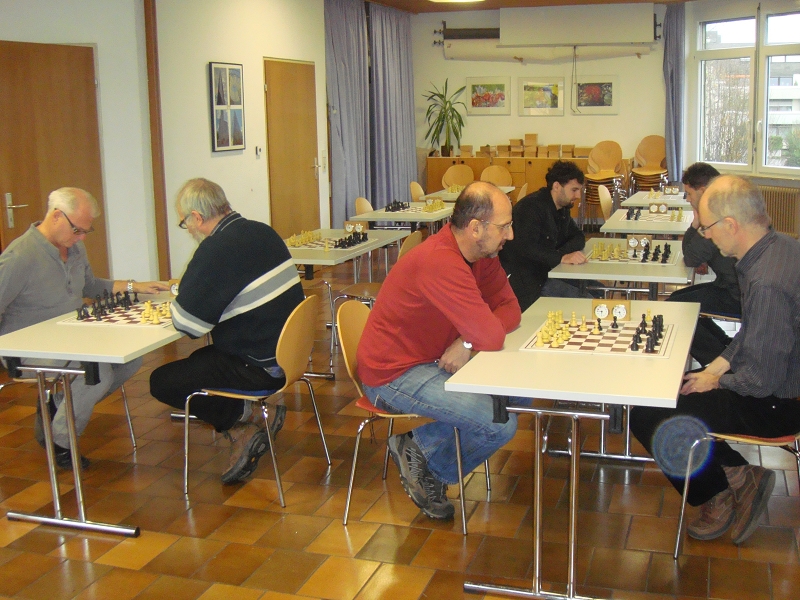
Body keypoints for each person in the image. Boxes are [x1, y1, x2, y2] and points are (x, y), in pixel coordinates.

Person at [630, 175, 800, 545]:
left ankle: (717, 493)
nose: (704, 234)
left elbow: (761, 381)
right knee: (677, 392)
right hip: (782, 384)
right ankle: (740, 476)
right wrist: (717, 366)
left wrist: (717, 381)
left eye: (706, 227)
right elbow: (753, 332)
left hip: (779, 403)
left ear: (731, 225)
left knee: (649, 411)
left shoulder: (766, 282)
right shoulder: (781, 248)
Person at [357, 181, 526, 520]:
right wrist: (470, 339)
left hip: (431, 362)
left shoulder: (481, 256)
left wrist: (466, 340)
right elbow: (492, 336)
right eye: (504, 226)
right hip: (392, 375)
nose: (510, 235)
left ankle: (419, 448)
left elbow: (511, 309)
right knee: (500, 423)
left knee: (519, 395)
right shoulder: (440, 261)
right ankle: (428, 464)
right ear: (475, 228)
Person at [149, 178, 304, 484]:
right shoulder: (262, 231)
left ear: (197, 217)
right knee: (200, 361)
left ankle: (241, 422)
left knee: (163, 381)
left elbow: (188, 325)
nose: (188, 229)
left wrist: (182, 293)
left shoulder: (215, 249)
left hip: (259, 367)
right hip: (291, 354)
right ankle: (257, 412)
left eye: (184, 222)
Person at [0, 187, 168, 469]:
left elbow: (90, 286)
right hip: (26, 349)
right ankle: (61, 441)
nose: (81, 238)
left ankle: (58, 406)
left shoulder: (75, 248)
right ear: (56, 216)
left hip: (72, 336)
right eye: (77, 230)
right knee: (97, 372)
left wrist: (133, 286)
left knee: (129, 360)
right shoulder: (20, 257)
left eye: (85, 231)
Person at [666, 163, 740, 365]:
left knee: (675, 308)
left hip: (738, 294)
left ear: (703, 190)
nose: (688, 199)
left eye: (689, 194)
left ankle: (719, 363)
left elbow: (690, 257)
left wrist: (697, 220)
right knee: (675, 299)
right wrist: (696, 224)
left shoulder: (717, 217)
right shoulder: (727, 206)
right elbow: (692, 254)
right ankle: (724, 345)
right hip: (730, 285)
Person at [499, 160, 592, 311]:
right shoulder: (530, 208)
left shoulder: (562, 208)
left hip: (548, 271)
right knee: (588, 301)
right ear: (557, 186)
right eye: (574, 190)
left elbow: (578, 237)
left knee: (595, 290)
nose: (578, 195)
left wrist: (561, 255)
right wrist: (561, 257)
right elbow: (526, 249)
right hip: (528, 282)